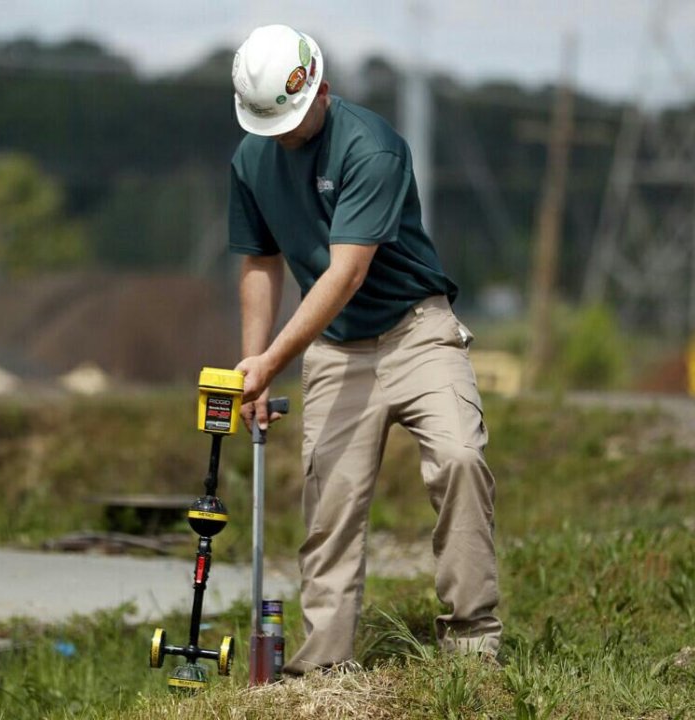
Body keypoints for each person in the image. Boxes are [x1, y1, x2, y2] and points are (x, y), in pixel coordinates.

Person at [228, 24, 502, 675]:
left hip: (417, 331)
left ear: (319, 85)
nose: (283, 133)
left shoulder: (371, 146)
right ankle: (323, 667)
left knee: (461, 457)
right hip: (333, 345)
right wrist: (253, 364)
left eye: (290, 118)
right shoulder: (250, 160)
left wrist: (274, 360)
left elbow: (345, 274)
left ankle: (471, 643)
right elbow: (260, 262)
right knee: (331, 503)